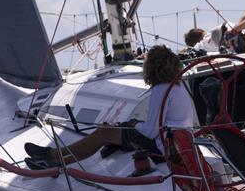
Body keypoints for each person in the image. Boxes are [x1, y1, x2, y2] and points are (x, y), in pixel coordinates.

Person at [23, 45, 195, 168]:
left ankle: (53, 156)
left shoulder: (161, 89)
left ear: (152, 67)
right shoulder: (177, 86)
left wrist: (135, 125)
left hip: (163, 144)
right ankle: (55, 160)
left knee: (103, 133)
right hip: (176, 141)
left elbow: (150, 131)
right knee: (109, 131)